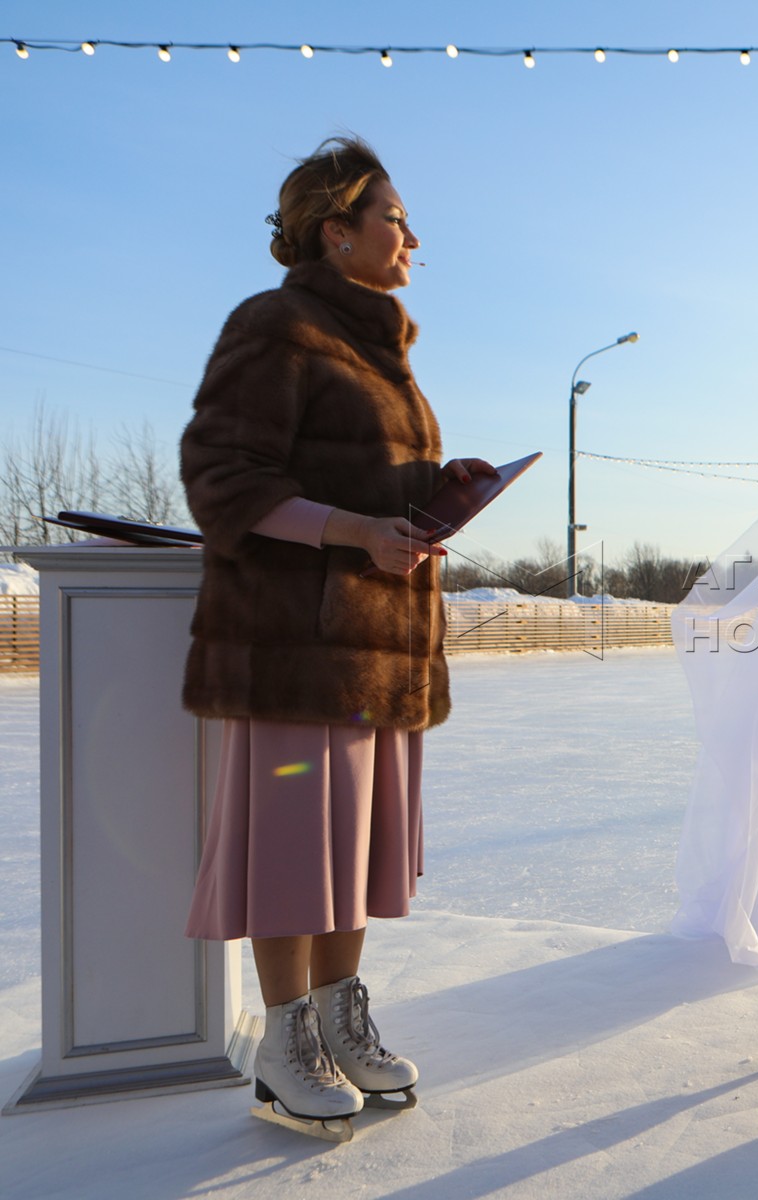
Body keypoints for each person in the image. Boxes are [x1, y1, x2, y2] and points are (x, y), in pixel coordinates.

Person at [180, 135, 494, 1137]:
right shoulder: (276, 326)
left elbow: (353, 478)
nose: (411, 237)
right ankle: (285, 1043)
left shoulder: (378, 349)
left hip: (375, 647)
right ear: (336, 231)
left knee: (351, 850)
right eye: (394, 217)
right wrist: (356, 530)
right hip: (295, 648)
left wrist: (433, 495)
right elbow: (222, 478)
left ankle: (338, 1020)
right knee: (291, 848)